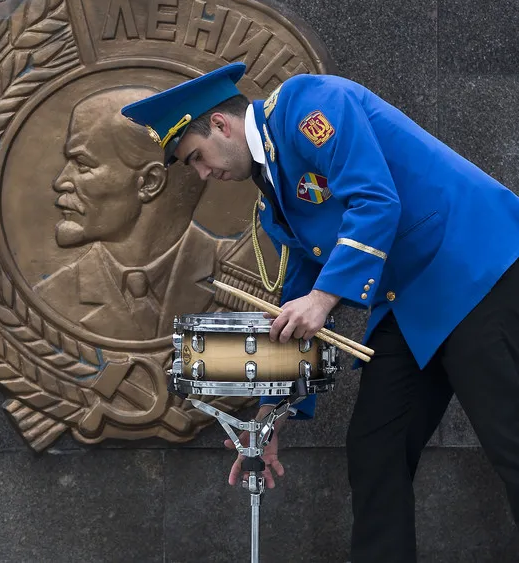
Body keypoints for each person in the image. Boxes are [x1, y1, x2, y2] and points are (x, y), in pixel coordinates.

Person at [120, 62, 519, 561]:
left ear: (220, 125)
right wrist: (269, 417)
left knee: (511, 442)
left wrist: (323, 300)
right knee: (377, 450)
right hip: (413, 301)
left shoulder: (309, 106)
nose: (203, 175)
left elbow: (375, 201)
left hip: (474, 269)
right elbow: (299, 296)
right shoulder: (271, 203)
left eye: (197, 157)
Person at [34, 86, 238, 339]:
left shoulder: (242, 275)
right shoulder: (53, 296)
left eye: (82, 164)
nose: (60, 181)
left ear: (150, 183)